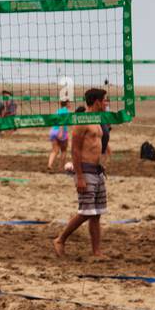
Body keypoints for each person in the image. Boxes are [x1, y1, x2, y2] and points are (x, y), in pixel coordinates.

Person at [53, 88, 109, 257]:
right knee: (86, 212)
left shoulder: (98, 120)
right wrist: (80, 177)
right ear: (97, 102)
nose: (107, 103)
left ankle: (96, 252)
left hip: (97, 171)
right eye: (105, 100)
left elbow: (97, 145)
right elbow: (75, 150)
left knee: (97, 213)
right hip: (85, 170)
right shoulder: (82, 120)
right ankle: (60, 239)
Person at [47, 100, 72, 171]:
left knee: (54, 150)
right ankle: (61, 168)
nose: (70, 104)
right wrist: (60, 132)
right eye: (69, 103)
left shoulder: (58, 111)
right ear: (67, 104)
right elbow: (62, 122)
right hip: (61, 131)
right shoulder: (66, 111)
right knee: (64, 150)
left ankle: (49, 165)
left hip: (53, 131)